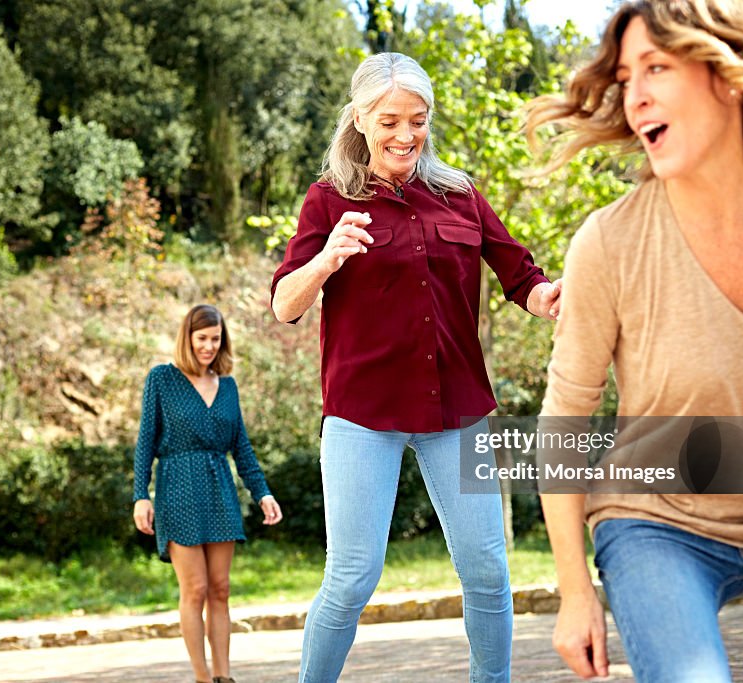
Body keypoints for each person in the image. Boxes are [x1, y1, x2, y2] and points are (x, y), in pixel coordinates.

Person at [524, 0, 743, 680]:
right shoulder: (609, 241)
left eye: (657, 66)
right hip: (655, 524)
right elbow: (563, 420)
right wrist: (575, 593)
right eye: (626, 77)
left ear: (730, 76)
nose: (636, 95)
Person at [271, 51, 562, 682]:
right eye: (390, 120)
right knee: (351, 580)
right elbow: (284, 305)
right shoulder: (328, 200)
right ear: (360, 119)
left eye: (418, 120)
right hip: (362, 414)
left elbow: (522, 277)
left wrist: (549, 298)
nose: (406, 134)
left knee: (488, 573)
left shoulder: (459, 194)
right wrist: (326, 261)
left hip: (457, 409)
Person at [132, 304, 283, 683]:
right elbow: (144, 442)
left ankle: (224, 676)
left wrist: (262, 492)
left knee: (221, 588)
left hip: (220, 490)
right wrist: (140, 495)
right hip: (177, 488)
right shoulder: (162, 379)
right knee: (195, 588)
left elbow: (242, 448)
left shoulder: (227, 385)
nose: (209, 346)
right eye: (202, 338)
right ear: (188, 337)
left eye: (215, 339)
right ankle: (202, 677)